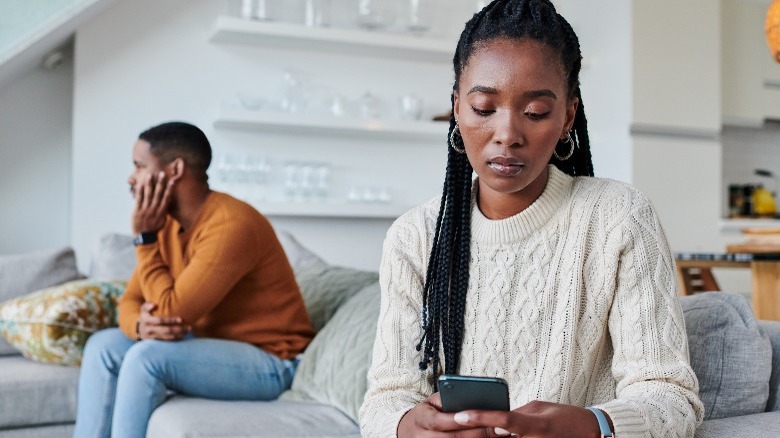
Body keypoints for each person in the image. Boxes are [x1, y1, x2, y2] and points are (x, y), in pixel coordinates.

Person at [358, 1, 704, 437]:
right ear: (457, 109)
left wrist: (593, 425)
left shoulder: (618, 217)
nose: (507, 134)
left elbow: (672, 397)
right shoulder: (416, 237)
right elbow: (385, 399)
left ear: (567, 117)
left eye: (536, 112)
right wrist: (407, 426)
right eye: (484, 108)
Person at [73, 121, 315, 438]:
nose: (130, 178)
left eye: (139, 166)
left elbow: (170, 312)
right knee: (103, 345)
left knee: (147, 358)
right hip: (206, 345)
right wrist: (138, 326)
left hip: (270, 362)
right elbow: (130, 299)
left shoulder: (232, 225)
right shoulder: (167, 222)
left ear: (174, 170)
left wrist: (145, 238)